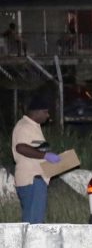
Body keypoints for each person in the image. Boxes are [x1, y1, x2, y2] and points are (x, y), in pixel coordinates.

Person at [11, 95, 61, 223]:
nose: (48, 115)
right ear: (36, 111)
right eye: (45, 112)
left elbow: (35, 149)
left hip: (37, 180)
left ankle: (30, 242)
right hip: (32, 180)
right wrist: (45, 156)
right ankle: (31, 243)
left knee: (34, 221)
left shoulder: (33, 127)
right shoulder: (25, 126)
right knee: (34, 223)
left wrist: (54, 159)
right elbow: (20, 147)